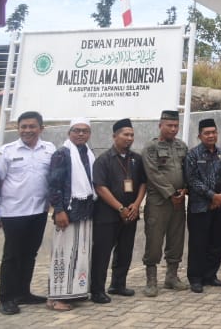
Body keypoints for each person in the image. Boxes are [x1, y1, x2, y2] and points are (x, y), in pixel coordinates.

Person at [0, 111, 55, 315]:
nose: (27, 130)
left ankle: (23, 293)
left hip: (38, 211)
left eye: (32, 126)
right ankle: (6, 298)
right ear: (18, 128)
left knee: (30, 254)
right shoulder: (7, 151)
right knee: (12, 255)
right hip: (13, 213)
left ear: (41, 128)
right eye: (23, 127)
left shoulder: (49, 149)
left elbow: (52, 179)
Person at [90, 118, 146, 304]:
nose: (129, 138)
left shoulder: (136, 159)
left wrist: (136, 205)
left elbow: (143, 184)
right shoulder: (103, 160)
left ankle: (118, 284)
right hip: (107, 215)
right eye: (125, 134)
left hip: (130, 214)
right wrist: (120, 208)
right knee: (102, 253)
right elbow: (100, 187)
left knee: (125, 251)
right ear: (115, 136)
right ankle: (97, 290)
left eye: (131, 135)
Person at [46, 118, 96, 311]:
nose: (81, 134)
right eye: (77, 130)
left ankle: (75, 292)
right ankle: (57, 298)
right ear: (69, 132)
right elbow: (54, 184)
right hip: (67, 210)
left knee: (80, 254)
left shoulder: (87, 153)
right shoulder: (62, 153)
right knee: (63, 253)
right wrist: (58, 210)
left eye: (85, 131)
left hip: (85, 210)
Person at [141, 109, 189, 297]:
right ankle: (151, 280)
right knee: (154, 240)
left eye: (176, 126)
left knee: (176, 239)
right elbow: (153, 174)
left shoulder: (182, 146)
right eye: (169, 125)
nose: (173, 129)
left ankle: (172, 277)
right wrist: (171, 193)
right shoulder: (151, 148)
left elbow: (187, 170)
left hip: (179, 201)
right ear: (160, 125)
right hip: (158, 202)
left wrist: (185, 188)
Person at [184, 118, 221, 293]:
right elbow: (192, 180)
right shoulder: (192, 154)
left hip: (218, 206)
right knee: (198, 243)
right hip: (199, 207)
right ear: (200, 135)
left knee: (217, 242)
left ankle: (210, 275)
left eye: (213, 132)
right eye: (207, 133)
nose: (211, 135)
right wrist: (212, 196)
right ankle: (195, 278)